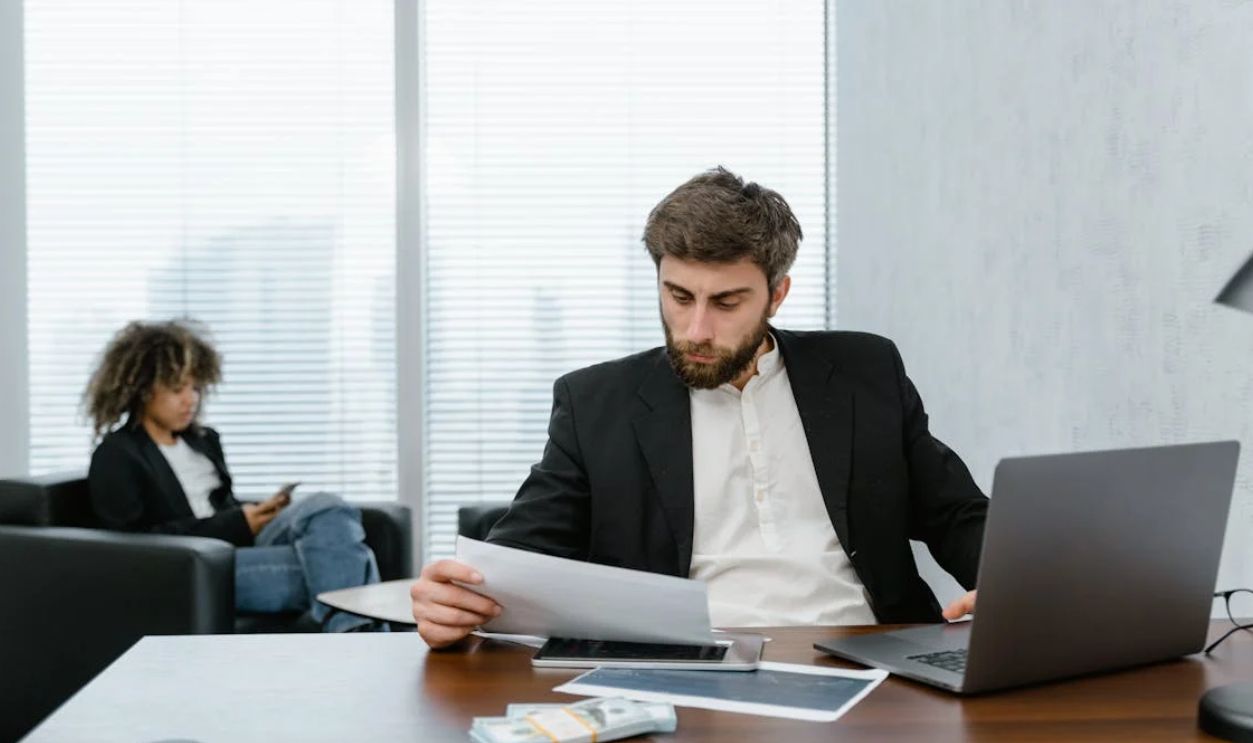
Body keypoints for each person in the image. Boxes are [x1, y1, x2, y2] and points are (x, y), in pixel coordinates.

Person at [411, 167, 988, 648]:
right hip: (688, 663)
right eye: (679, 296)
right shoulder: (596, 404)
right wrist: (457, 600)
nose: (696, 329)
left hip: (870, 653)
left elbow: (956, 513)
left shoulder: (865, 370)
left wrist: (1011, 589)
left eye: (727, 302)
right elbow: (521, 557)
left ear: (777, 294)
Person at [85, 319, 384, 632]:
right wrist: (238, 523)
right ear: (143, 391)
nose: (190, 399)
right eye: (177, 389)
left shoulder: (203, 440)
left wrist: (259, 513)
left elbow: (219, 505)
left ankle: (351, 635)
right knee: (344, 563)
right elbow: (135, 545)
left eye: (195, 388)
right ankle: (357, 637)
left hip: (240, 544)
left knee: (326, 505)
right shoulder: (117, 454)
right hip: (196, 567)